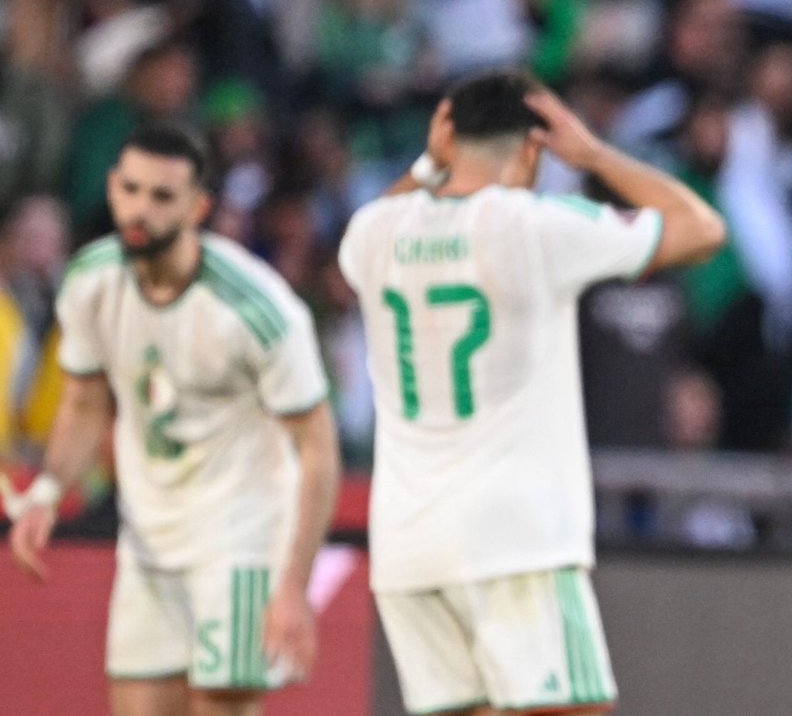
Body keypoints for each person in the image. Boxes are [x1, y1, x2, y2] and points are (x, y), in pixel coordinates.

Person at [338, 70, 725, 716]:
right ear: (532, 151)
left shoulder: (376, 231)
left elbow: (368, 229)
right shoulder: (535, 225)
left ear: (447, 136)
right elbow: (702, 229)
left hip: (410, 547)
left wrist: (429, 165)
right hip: (513, 541)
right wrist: (594, 155)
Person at [6, 125, 340, 716]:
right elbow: (84, 403)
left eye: (162, 196)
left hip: (238, 543)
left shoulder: (255, 309)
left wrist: (293, 584)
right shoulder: (90, 281)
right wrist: (49, 492)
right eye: (131, 189)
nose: (141, 209)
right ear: (112, 188)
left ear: (198, 207)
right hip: (148, 545)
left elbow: (317, 448)